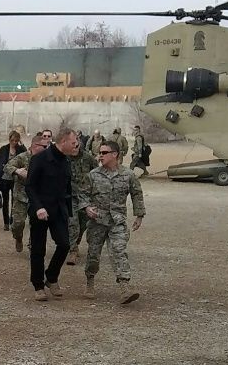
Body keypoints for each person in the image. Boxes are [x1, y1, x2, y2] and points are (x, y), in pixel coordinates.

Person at [81, 140, 145, 304]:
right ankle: (90, 281)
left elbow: (136, 193)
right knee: (94, 255)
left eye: (104, 153)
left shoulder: (127, 174)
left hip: (117, 221)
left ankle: (124, 288)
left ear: (115, 154)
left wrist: (139, 215)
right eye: (99, 153)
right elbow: (82, 195)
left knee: (119, 251)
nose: (100, 156)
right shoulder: (93, 175)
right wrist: (87, 208)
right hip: (97, 221)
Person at [26, 127, 79, 301]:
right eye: (73, 142)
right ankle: (38, 285)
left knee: (64, 245)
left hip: (59, 210)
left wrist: (69, 211)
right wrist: (38, 207)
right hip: (40, 211)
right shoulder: (40, 159)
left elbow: (67, 188)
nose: (76, 145)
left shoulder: (66, 161)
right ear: (63, 142)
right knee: (38, 249)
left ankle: (51, 277)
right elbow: (30, 186)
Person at [3, 134, 46, 252]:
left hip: (37, 198)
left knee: (36, 225)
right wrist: (17, 171)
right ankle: (18, 238)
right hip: (21, 196)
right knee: (17, 224)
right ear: (35, 146)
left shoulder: (46, 160)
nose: (46, 149)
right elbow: (7, 167)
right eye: (44, 146)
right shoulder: (23, 157)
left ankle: (33, 245)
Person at [66, 136, 98, 265]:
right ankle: (72, 250)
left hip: (86, 197)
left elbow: (96, 173)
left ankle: (76, 242)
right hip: (70, 196)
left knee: (83, 223)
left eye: (76, 146)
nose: (74, 148)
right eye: (72, 146)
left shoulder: (88, 158)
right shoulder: (64, 158)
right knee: (72, 222)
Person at [0, 130, 27, 231]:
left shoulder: (20, 149)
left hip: (16, 178)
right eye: (12, 140)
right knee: (5, 201)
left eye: (16, 140)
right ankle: (6, 222)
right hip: (4, 178)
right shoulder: (4, 149)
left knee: (14, 201)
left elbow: (26, 156)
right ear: (9, 139)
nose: (14, 142)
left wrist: (22, 145)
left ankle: (12, 220)